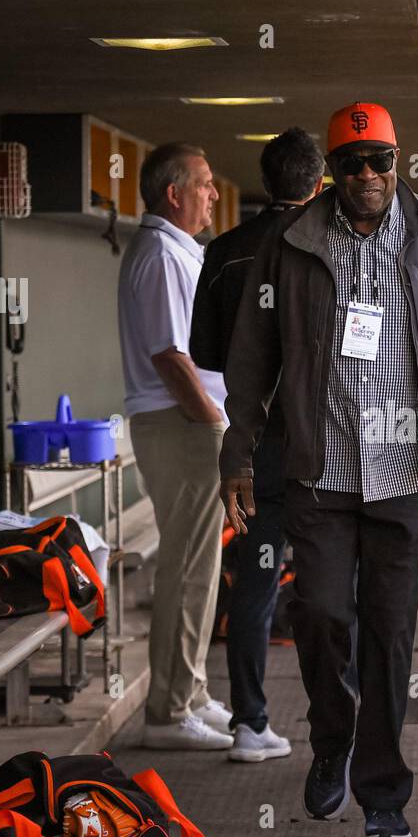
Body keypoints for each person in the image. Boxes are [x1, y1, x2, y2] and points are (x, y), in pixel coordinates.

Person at [218, 102, 418, 837]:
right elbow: (250, 357)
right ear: (330, 174)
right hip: (322, 466)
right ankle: (331, 734)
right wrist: (237, 454)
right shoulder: (293, 240)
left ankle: (384, 798)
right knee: (318, 615)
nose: (368, 175)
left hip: (410, 468)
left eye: (380, 160)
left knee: (389, 634)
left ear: (397, 161)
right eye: (352, 163)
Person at [190, 128, 325, 764]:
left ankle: (250, 724)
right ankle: (340, 729)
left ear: (265, 181)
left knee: (257, 581)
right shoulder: (330, 246)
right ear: (318, 182)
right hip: (325, 447)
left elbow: (206, 353)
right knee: (334, 584)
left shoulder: (224, 251)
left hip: (253, 448)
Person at [117, 143, 233, 751]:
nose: (213, 194)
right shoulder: (162, 254)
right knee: (186, 569)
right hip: (181, 426)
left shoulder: (179, 252)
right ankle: (166, 713)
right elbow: (170, 355)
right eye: (206, 184)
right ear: (174, 193)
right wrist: (214, 421)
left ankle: (190, 693)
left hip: (185, 426)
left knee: (200, 568)